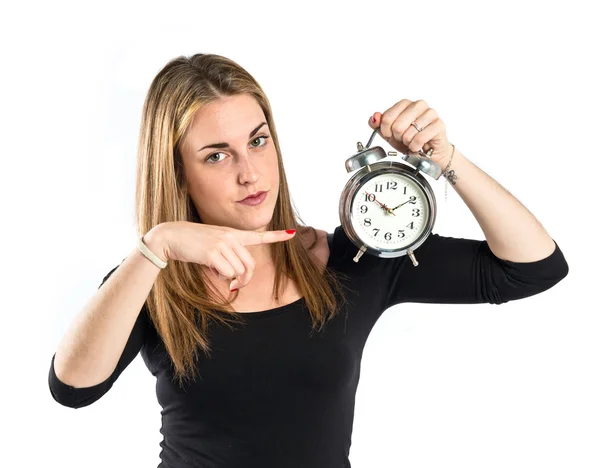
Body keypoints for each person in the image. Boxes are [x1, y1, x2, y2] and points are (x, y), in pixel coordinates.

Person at [47, 53, 569, 468]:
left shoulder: (352, 258)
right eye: (216, 154)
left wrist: (445, 158)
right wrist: (155, 247)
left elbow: (533, 267)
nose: (249, 173)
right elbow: (72, 387)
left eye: (257, 141)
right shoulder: (151, 280)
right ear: (178, 174)